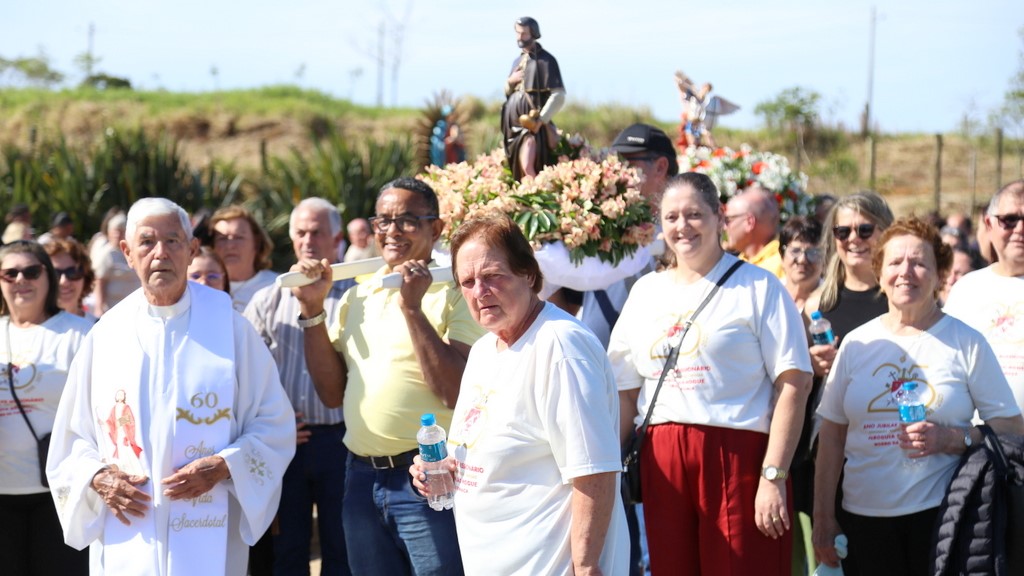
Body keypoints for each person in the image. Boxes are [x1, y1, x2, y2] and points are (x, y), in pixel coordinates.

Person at [46, 197, 296, 576]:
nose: (160, 253)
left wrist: (224, 465)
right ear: (128, 253)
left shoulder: (231, 329)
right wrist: (99, 478)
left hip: (209, 524)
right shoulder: (105, 336)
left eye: (173, 241)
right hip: (127, 531)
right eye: (147, 242)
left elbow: (274, 423)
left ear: (192, 250)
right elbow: (72, 438)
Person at [608, 173, 813, 576]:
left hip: (738, 456)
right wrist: (607, 468)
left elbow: (794, 383)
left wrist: (772, 476)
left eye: (694, 214)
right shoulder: (645, 292)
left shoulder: (759, 287)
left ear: (719, 217)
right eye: (671, 216)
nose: (682, 226)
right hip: (662, 460)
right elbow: (624, 391)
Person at [407, 213, 629, 574]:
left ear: (528, 273)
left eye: (493, 275)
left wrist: (586, 566)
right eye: (468, 282)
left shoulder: (560, 347)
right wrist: (440, 469)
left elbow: (595, 471)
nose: (480, 292)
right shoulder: (483, 350)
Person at [292, 177, 485, 575]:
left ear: (437, 228)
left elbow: (454, 391)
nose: (392, 231)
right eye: (383, 221)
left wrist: (411, 308)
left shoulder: (455, 291)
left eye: (408, 220)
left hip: (429, 476)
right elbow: (331, 394)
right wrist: (312, 310)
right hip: (361, 477)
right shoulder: (356, 295)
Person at [812, 217, 1024, 576]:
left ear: (940, 275)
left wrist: (953, 439)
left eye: (919, 262)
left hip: (942, 521)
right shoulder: (856, 344)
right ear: (879, 273)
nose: (905, 272)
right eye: (895, 262)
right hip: (862, 519)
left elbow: (1011, 426)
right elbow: (832, 435)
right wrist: (823, 518)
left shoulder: (965, 341)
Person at [244, 198, 354, 576]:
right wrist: (275, 420)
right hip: (286, 441)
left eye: (318, 232)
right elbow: (247, 374)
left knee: (340, 547)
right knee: (287, 550)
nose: (309, 240)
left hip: (342, 438)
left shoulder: (356, 295)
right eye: (301, 232)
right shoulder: (267, 299)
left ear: (337, 238)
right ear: (291, 238)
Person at [0, 240, 91, 576]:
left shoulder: (80, 333)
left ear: (48, 277)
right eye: (9, 273)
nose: (20, 278)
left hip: (61, 494)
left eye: (31, 270)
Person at [944, 179, 1024, 410]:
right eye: (1009, 220)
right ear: (989, 224)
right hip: (982, 440)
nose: (1019, 229)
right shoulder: (966, 290)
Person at [805, 191, 895, 380]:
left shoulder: (901, 300)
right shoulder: (816, 306)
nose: (853, 238)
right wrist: (812, 365)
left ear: (886, 233)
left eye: (864, 230)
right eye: (843, 232)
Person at [500, 16, 566, 181]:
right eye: (517, 33)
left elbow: (558, 95)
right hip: (513, 125)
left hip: (532, 126)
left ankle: (535, 194)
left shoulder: (546, 61)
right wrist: (510, 81)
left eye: (523, 34)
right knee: (519, 168)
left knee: (528, 166)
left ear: (533, 34)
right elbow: (509, 93)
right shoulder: (517, 61)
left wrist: (541, 120)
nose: (519, 38)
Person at [210, 205, 277, 311]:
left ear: (256, 243)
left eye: (239, 238)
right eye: (222, 238)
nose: (230, 245)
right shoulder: (202, 285)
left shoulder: (276, 287)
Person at [724, 185, 785, 278]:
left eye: (728, 220)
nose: (724, 227)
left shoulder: (782, 264)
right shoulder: (739, 262)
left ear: (749, 222)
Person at [92, 212, 140, 315]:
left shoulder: (134, 251)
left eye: (121, 231)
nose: (118, 235)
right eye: (115, 231)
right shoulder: (107, 254)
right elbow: (99, 282)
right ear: (109, 232)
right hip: (114, 309)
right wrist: (99, 307)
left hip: (136, 309)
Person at [43, 238, 97, 322]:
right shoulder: (26, 328)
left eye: (73, 273)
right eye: (55, 274)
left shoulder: (97, 329)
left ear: (86, 278)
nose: (64, 282)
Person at [779, 216, 824, 315]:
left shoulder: (831, 301)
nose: (802, 259)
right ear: (782, 256)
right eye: (795, 251)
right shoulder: (769, 293)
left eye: (812, 252)